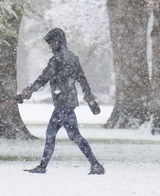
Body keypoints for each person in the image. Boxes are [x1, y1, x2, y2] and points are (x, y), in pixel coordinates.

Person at [17, 28, 105, 175]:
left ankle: (43, 166)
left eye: (51, 43)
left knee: (54, 134)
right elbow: (82, 79)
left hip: (63, 104)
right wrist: (88, 97)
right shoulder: (73, 57)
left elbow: (43, 78)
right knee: (72, 135)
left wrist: (28, 92)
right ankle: (95, 165)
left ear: (58, 42)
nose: (50, 47)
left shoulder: (57, 59)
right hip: (68, 103)